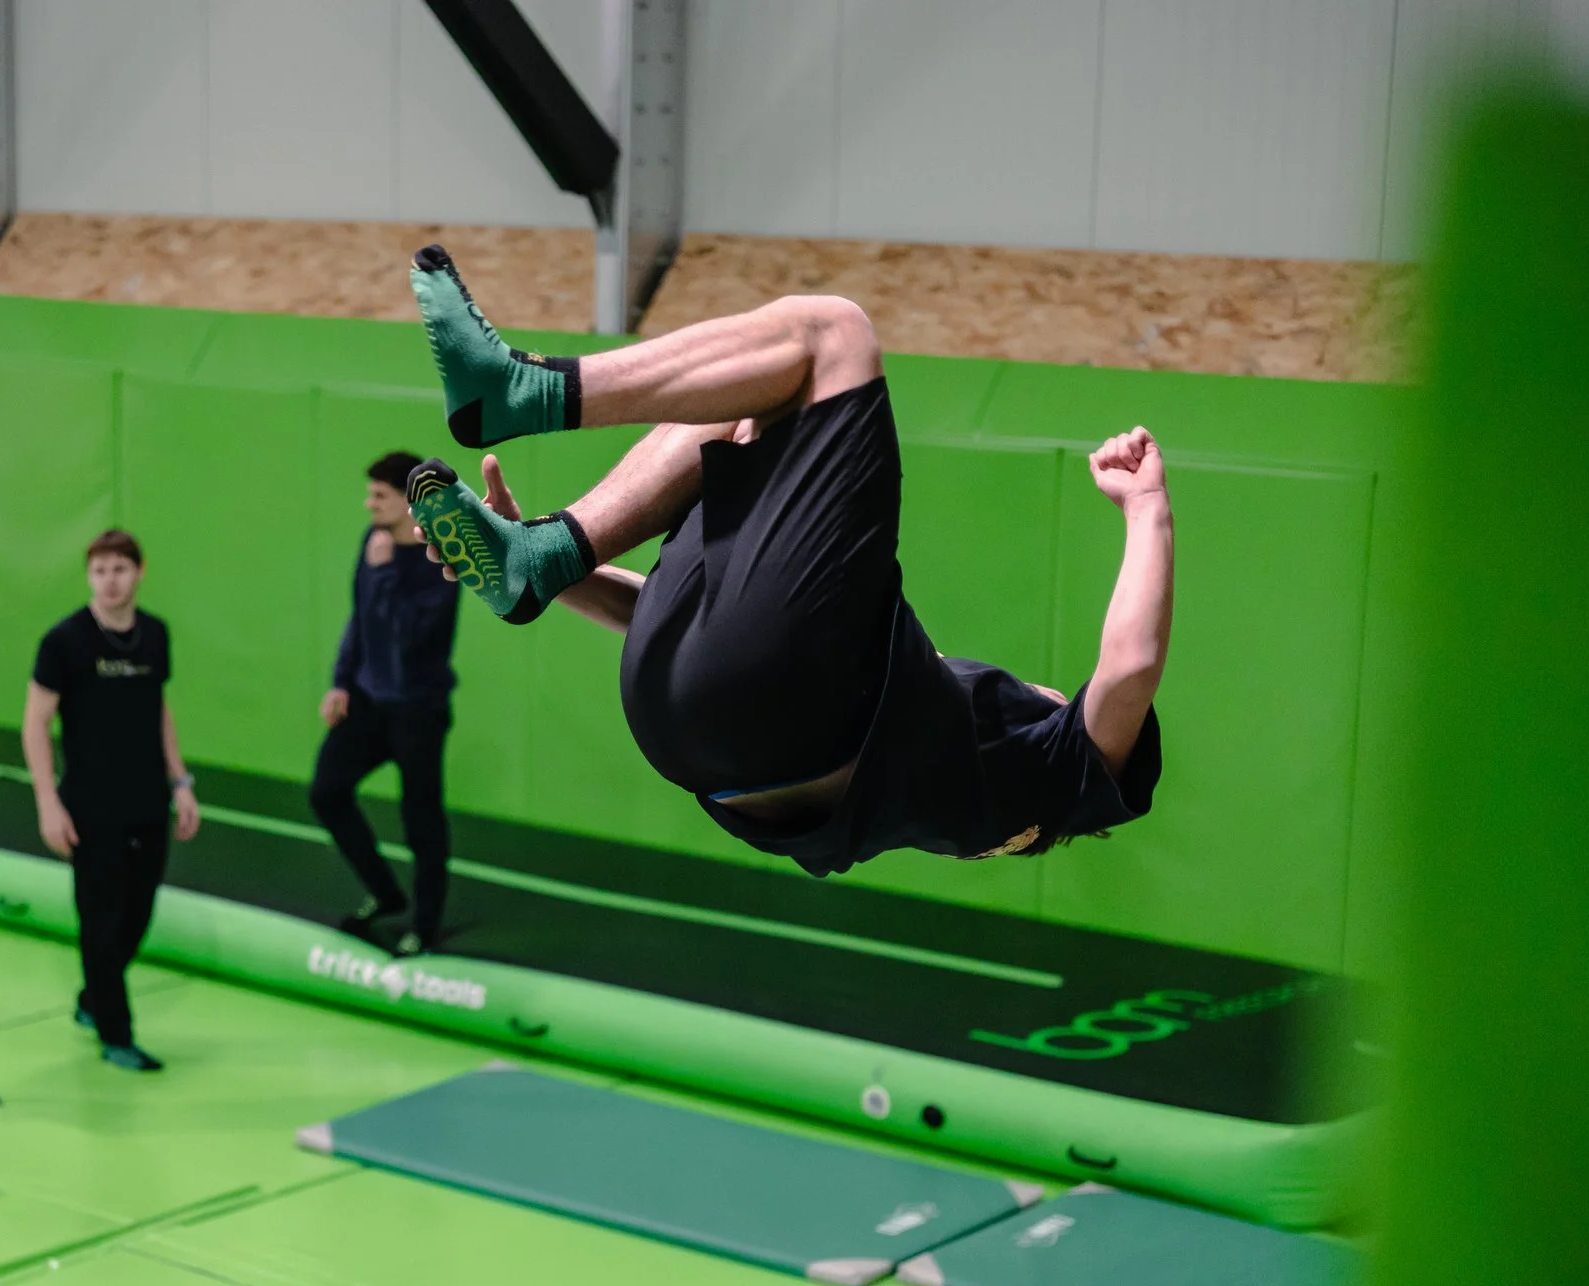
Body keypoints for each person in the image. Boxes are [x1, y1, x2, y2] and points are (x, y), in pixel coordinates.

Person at [400, 245, 1170, 874]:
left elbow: (1129, 668)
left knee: (830, 335)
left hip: (784, 717)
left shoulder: (1057, 778)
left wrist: (1147, 511)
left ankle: (519, 392)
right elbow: (710, 635)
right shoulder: (940, 740)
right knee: (745, 403)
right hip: (689, 728)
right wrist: (554, 581)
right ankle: (546, 555)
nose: (1051, 688)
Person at [21, 530, 202, 1072]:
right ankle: (116, 1034)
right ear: (89, 577)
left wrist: (181, 782)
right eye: (99, 570)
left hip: (147, 798)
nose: (109, 580)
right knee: (100, 919)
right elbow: (35, 724)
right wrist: (48, 804)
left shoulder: (155, 636)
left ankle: (92, 997)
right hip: (88, 805)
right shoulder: (64, 642)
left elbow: (158, 709)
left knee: (136, 916)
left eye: (119, 569)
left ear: (139, 571)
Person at [310, 450, 459, 958]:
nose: (369, 503)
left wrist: (388, 569)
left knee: (421, 820)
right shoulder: (371, 543)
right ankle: (385, 892)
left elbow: (408, 636)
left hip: (418, 710)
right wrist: (340, 682)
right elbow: (361, 620)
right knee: (327, 792)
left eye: (380, 495)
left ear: (410, 503)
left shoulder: (442, 559)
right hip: (370, 703)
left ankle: (426, 923)